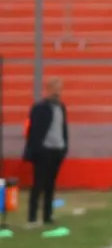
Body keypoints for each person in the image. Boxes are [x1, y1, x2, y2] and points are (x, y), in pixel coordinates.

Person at [23, 78, 70, 237]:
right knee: (38, 184)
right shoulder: (39, 108)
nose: (58, 92)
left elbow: (63, 128)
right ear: (48, 89)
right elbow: (33, 132)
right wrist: (35, 150)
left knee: (51, 184)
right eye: (55, 89)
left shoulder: (61, 107)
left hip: (57, 149)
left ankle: (47, 215)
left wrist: (64, 147)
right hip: (44, 151)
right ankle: (32, 217)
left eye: (60, 89)